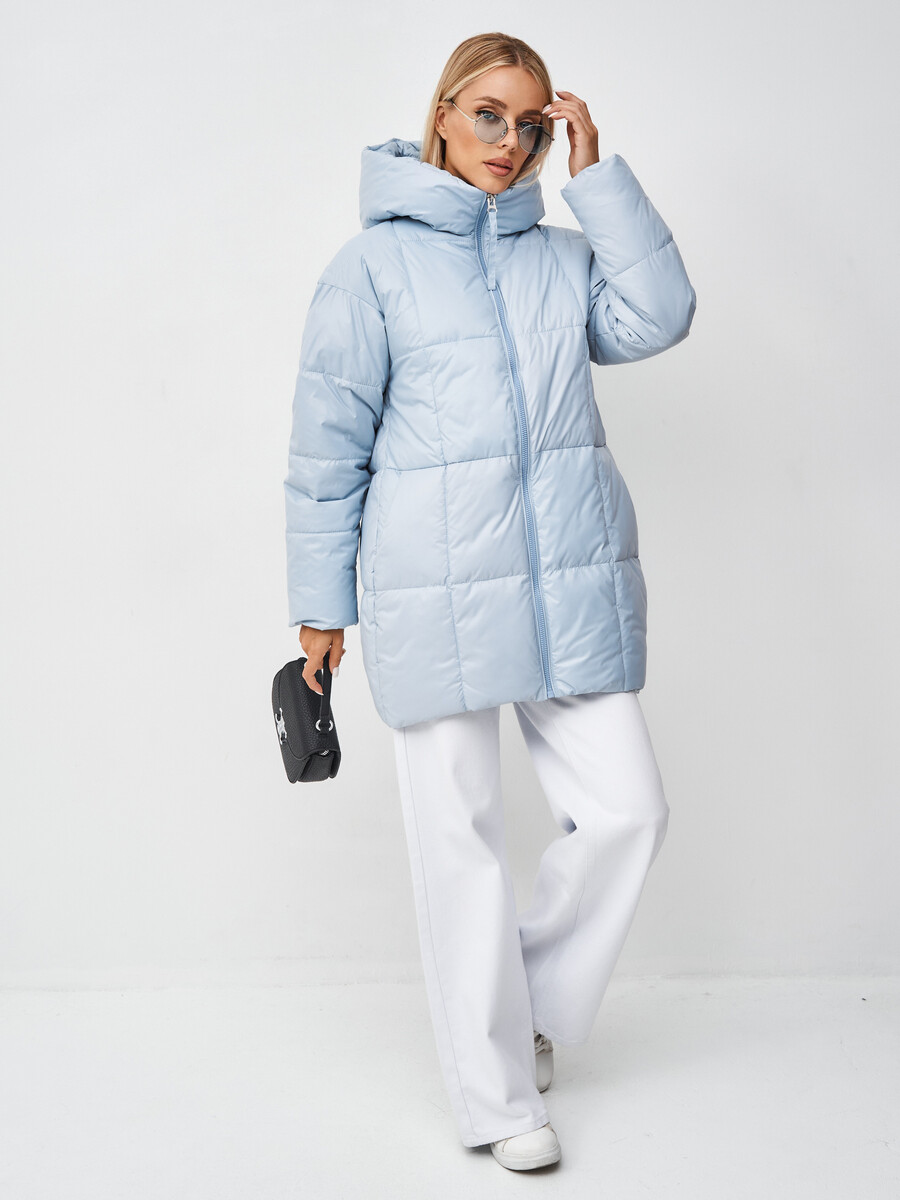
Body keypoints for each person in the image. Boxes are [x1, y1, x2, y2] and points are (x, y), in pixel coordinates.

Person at [283, 32, 696, 1172]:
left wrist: (598, 181)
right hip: (431, 589)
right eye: (488, 116)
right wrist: (320, 607)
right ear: (443, 114)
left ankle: (526, 1006)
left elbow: (661, 316)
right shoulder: (370, 269)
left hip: (566, 581)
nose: (508, 143)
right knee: (460, 849)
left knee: (630, 812)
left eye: (531, 123)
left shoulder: (563, 261)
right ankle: (498, 1099)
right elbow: (326, 449)